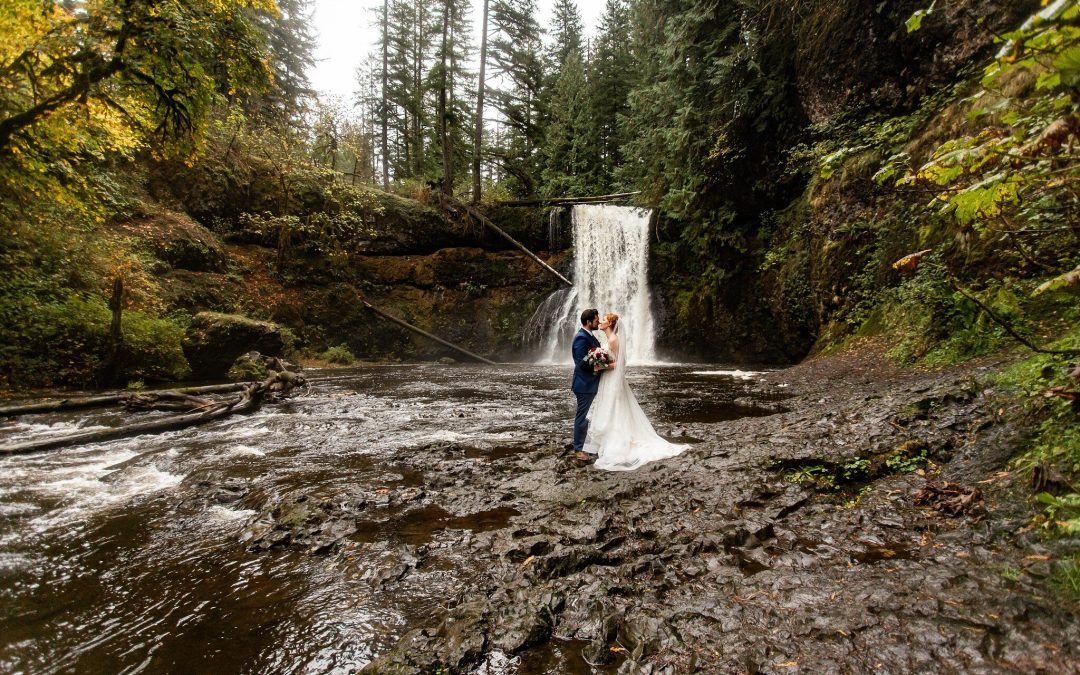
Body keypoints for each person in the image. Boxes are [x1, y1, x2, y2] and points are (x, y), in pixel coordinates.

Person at [584, 312, 688, 471]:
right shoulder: (609, 339)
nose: (601, 322)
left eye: (604, 320)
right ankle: (608, 440)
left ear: (610, 324)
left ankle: (618, 442)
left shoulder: (613, 340)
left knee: (616, 408)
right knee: (610, 408)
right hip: (608, 379)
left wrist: (601, 366)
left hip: (613, 379)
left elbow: (621, 363)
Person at [570, 308, 610, 462]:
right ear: (588, 322)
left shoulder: (588, 336)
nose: (598, 322)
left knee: (588, 415)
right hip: (584, 385)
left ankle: (587, 444)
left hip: (590, 383)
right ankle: (579, 449)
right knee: (583, 416)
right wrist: (601, 366)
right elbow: (581, 363)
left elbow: (592, 356)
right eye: (596, 320)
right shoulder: (581, 338)